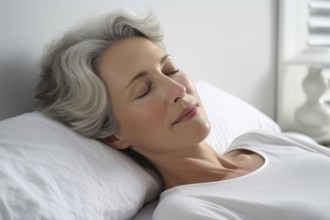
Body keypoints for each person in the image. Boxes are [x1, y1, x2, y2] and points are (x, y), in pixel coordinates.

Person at [34, 9, 330, 220]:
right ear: (113, 135)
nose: (177, 88)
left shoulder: (266, 140)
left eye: (170, 69)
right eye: (143, 90)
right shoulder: (190, 210)